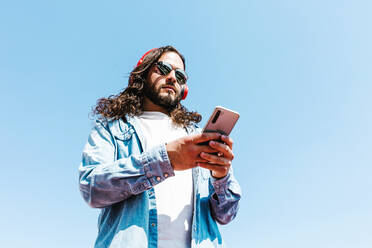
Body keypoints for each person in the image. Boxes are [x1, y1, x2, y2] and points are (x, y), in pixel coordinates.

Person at [79, 45, 242, 248]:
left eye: (180, 75)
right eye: (164, 69)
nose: (173, 77)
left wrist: (221, 177)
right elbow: (92, 188)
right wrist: (166, 160)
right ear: (142, 75)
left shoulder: (197, 137)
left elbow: (226, 214)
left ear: (184, 89)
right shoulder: (112, 129)